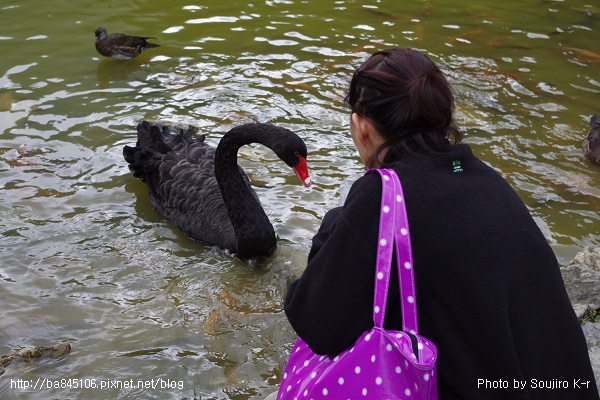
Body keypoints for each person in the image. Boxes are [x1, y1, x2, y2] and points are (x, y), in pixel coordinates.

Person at [282, 48, 599, 399]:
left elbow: (316, 324)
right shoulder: (484, 178)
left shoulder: (381, 194)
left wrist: (334, 224)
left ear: (362, 127)